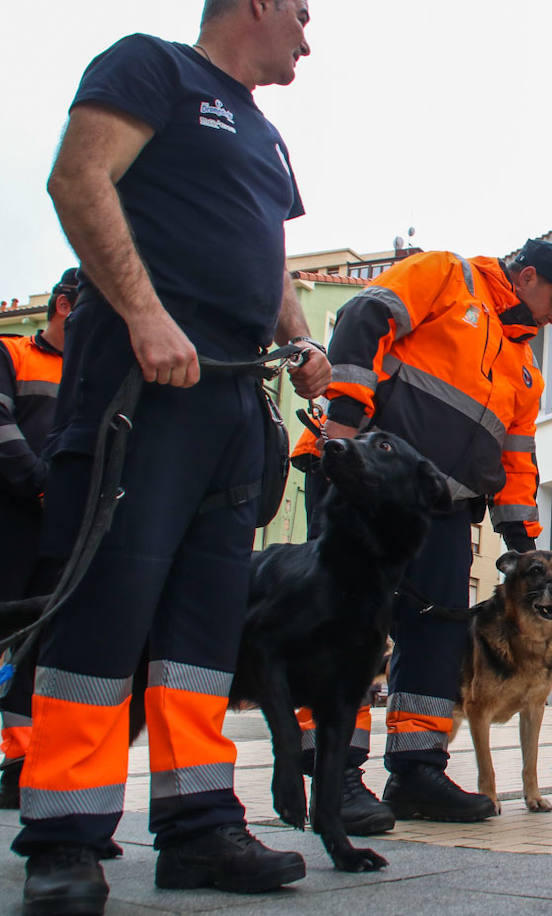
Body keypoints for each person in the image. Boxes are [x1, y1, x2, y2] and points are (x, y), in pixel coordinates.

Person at [14, 2, 330, 912]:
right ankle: (65, 836)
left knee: (204, 625)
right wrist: (147, 317)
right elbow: (78, 180)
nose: (309, 39)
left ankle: (197, 828)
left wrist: (301, 344)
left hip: (234, 397)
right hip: (141, 386)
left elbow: (269, 256)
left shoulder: (267, 138)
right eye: (303, 15)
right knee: (107, 607)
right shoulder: (154, 68)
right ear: (259, 4)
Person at [296, 238, 552, 827]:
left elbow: (516, 460)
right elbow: (365, 317)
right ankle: (338, 777)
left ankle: (418, 772)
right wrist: (344, 429)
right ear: (527, 277)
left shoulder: (524, 369)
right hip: (367, 485)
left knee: (435, 636)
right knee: (350, 626)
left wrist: (523, 540)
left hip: (447, 510)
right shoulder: (446, 276)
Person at [0, 269, 79, 808]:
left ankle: (20, 765)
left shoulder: (93, 373)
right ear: (64, 306)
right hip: (12, 518)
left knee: (36, 644)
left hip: (61, 528)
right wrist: (41, 486)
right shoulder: (11, 354)